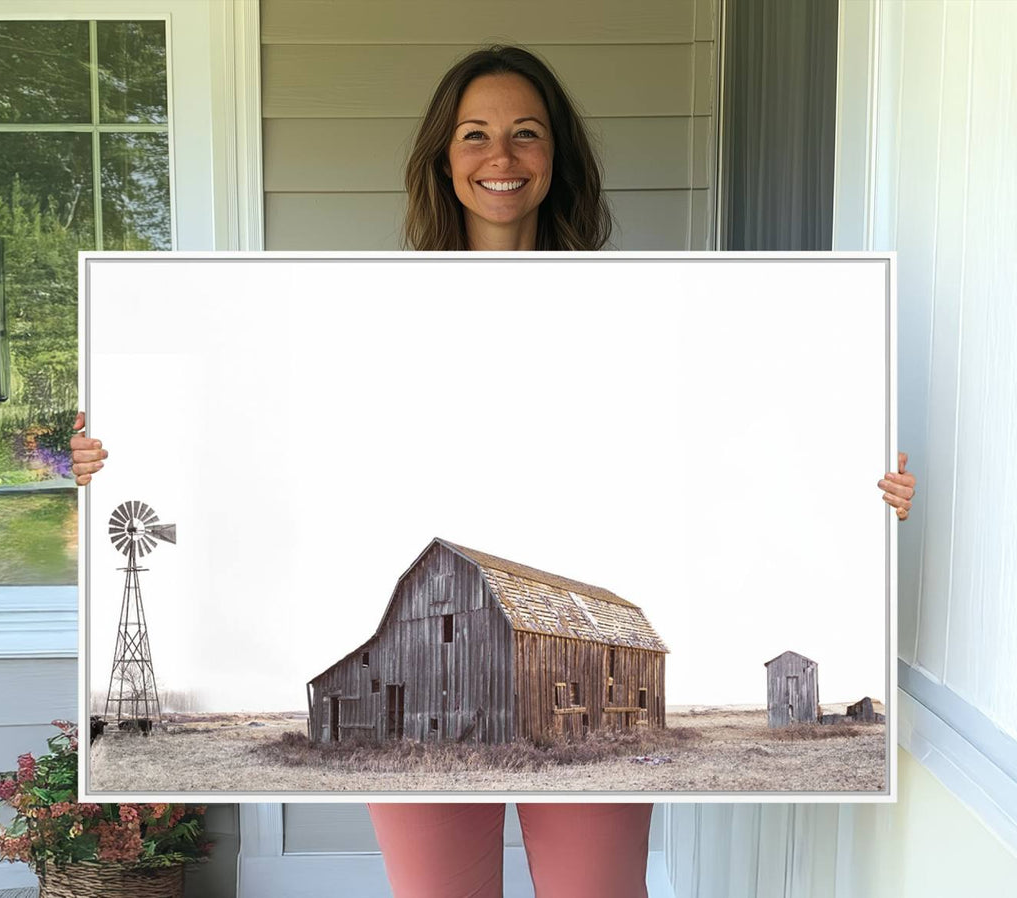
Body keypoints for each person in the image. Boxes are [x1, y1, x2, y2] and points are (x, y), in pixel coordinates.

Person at [71, 45, 916, 898]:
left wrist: (854, 484)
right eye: (475, 135)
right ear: (444, 158)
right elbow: (273, 450)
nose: (501, 157)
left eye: (526, 134)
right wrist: (123, 457)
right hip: (426, 644)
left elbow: (724, 451)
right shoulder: (362, 320)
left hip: (572, 627)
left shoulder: (642, 315)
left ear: (557, 159)